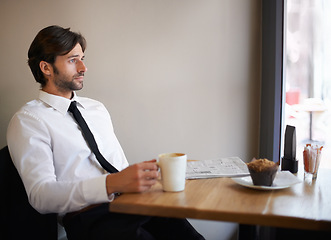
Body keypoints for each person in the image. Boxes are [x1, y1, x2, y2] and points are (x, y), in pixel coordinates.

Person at [7, 25, 204, 240]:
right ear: (46, 68)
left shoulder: (96, 109)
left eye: (82, 58)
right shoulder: (28, 121)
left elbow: (116, 165)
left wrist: (141, 177)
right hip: (91, 219)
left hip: (135, 202)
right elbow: (41, 196)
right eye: (73, 60)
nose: (83, 67)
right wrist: (113, 183)